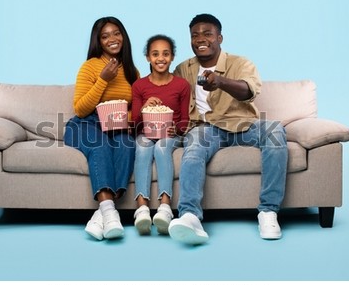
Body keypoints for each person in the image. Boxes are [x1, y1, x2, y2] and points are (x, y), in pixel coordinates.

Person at [168, 14, 288, 245]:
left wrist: (221, 82)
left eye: (207, 34)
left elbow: (248, 90)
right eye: (195, 35)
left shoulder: (240, 63)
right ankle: (190, 216)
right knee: (193, 148)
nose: (200, 39)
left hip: (242, 124)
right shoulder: (183, 69)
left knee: (275, 130)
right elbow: (171, 95)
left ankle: (268, 212)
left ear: (219, 37)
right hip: (205, 128)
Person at [63, 16, 138, 241]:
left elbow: (137, 108)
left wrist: (125, 118)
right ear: (98, 41)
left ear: (123, 36)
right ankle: (110, 212)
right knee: (100, 146)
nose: (112, 39)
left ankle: (101, 214)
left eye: (116, 33)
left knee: (127, 145)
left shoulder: (132, 71)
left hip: (116, 125)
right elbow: (81, 108)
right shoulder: (90, 67)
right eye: (105, 36)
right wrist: (103, 79)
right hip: (85, 124)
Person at [131, 35, 191, 235]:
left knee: (162, 147)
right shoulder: (139, 86)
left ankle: (165, 207)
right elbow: (135, 123)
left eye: (166, 54)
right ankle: (142, 209)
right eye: (155, 54)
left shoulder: (181, 85)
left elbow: (185, 119)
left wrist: (177, 128)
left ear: (172, 57)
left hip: (170, 135)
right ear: (148, 57)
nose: (160, 58)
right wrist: (145, 108)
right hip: (145, 132)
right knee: (143, 146)